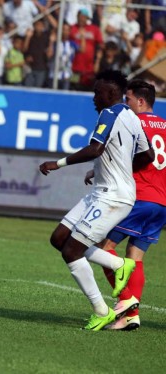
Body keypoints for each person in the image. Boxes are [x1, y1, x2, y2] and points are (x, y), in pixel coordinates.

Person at [39, 70, 154, 331]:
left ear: (111, 93)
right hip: (103, 192)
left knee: (71, 251)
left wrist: (57, 164)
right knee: (58, 239)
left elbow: (95, 148)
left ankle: (101, 310)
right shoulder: (132, 117)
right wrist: (120, 169)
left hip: (113, 196)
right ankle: (117, 264)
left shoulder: (110, 113)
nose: (93, 97)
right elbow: (148, 155)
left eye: (97, 92)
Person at [84, 80, 166, 331]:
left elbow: (124, 158)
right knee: (135, 257)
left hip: (137, 197)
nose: (124, 104)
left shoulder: (133, 122)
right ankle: (131, 314)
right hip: (161, 201)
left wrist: (95, 171)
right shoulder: (164, 126)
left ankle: (127, 304)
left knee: (102, 247)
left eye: (128, 99)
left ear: (141, 101)